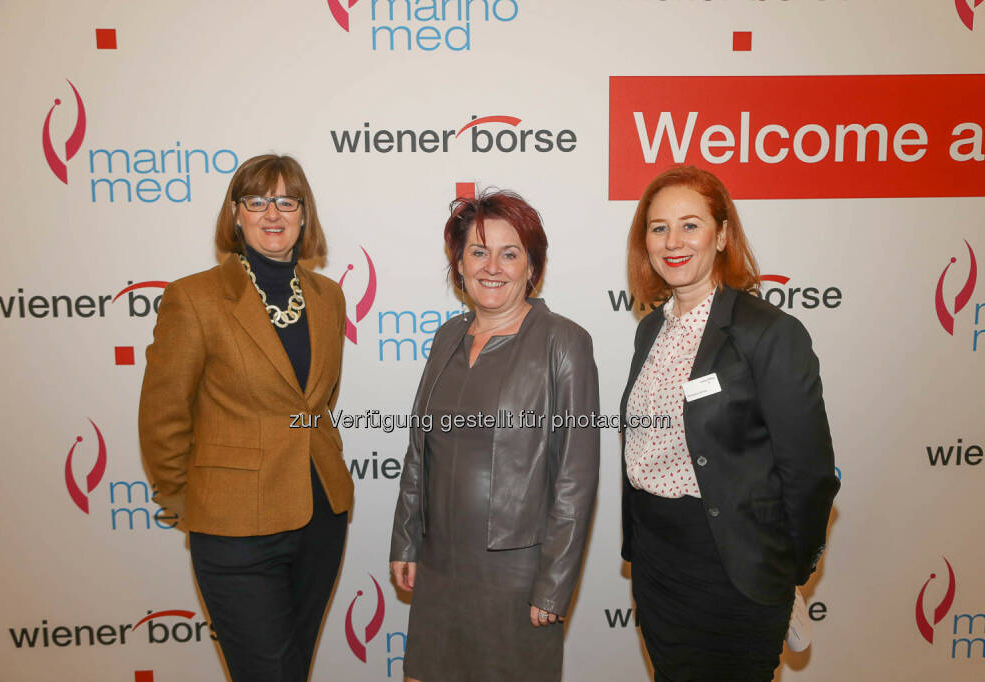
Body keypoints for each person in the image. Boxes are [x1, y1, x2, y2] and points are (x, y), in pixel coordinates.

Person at [620, 166, 839, 681]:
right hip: (656, 561)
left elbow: (809, 474)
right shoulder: (652, 328)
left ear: (721, 235)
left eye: (690, 225)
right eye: (658, 228)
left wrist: (784, 572)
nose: (672, 241)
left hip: (733, 568)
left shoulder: (768, 333)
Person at [138, 154, 352, 682]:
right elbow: (163, 416)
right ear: (236, 214)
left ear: (305, 214)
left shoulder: (328, 297)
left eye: (286, 200)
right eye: (256, 200)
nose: (272, 213)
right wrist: (195, 500)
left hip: (320, 515)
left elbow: (317, 405)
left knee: (294, 668)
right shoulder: (195, 297)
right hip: (233, 527)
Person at [389, 190, 600, 682]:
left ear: (533, 266)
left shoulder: (563, 341)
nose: (493, 267)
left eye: (510, 253)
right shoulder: (447, 337)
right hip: (439, 562)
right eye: (478, 251)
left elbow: (575, 477)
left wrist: (553, 586)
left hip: (517, 574)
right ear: (458, 264)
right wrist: (405, 540)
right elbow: (420, 450)